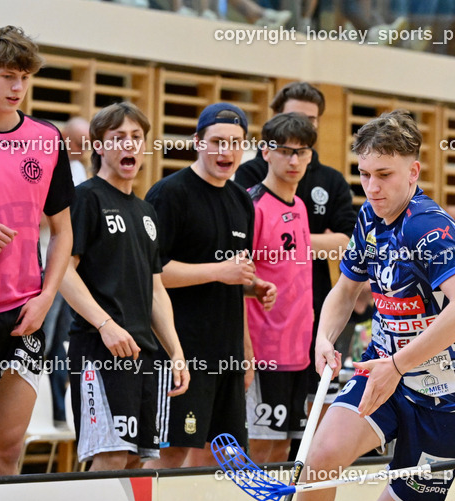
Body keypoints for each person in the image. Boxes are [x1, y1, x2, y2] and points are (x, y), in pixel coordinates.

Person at [232, 110, 455, 501]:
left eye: (385, 175)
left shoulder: (430, 228)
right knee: (322, 451)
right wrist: (325, 338)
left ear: (414, 172)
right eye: (365, 174)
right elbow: (346, 291)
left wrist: (399, 363)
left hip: (447, 396)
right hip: (384, 372)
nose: (373, 187)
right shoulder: (370, 221)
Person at [0, 26, 74, 477]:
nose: (18, 88)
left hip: (24, 311)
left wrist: (47, 297)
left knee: (6, 449)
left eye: (25, 78)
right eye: (8, 76)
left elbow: (62, 232)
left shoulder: (46, 141)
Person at [145, 103, 276, 469]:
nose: (226, 152)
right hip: (181, 350)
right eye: (217, 142)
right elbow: (154, 273)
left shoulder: (241, 201)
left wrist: (251, 289)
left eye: (235, 143)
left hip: (227, 351)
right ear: (198, 142)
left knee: (222, 454)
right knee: (171, 451)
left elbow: (231, 277)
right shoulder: (169, 194)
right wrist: (221, 271)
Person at [60, 103, 190, 471]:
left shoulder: (146, 212)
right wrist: (105, 325)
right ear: (98, 146)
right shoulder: (86, 198)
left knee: (138, 460)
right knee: (111, 456)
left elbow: (155, 290)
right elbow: (62, 273)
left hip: (144, 354)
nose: (128, 146)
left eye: (136, 138)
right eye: (118, 138)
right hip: (98, 349)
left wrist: (175, 351)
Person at [234, 82, 356, 435]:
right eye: (286, 149)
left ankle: (297, 492)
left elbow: (347, 242)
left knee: (299, 436)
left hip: (308, 327)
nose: (294, 158)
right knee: (261, 439)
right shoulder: (251, 188)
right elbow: (242, 266)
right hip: (265, 334)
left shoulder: (318, 189)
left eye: (311, 121)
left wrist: (294, 245)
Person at [245, 112, 318, 464]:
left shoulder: (302, 206)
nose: (294, 160)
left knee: (285, 450)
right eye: (285, 151)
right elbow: (239, 279)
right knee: (259, 446)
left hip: (299, 350)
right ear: (265, 152)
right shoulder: (252, 205)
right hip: (264, 350)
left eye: (302, 152)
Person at [42, 116, 91, 429]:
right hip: (45, 267)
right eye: (82, 142)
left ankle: (59, 413)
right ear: (69, 140)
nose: (86, 148)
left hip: (68, 269)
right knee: (42, 340)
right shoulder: (52, 163)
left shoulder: (81, 169)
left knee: (60, 342)